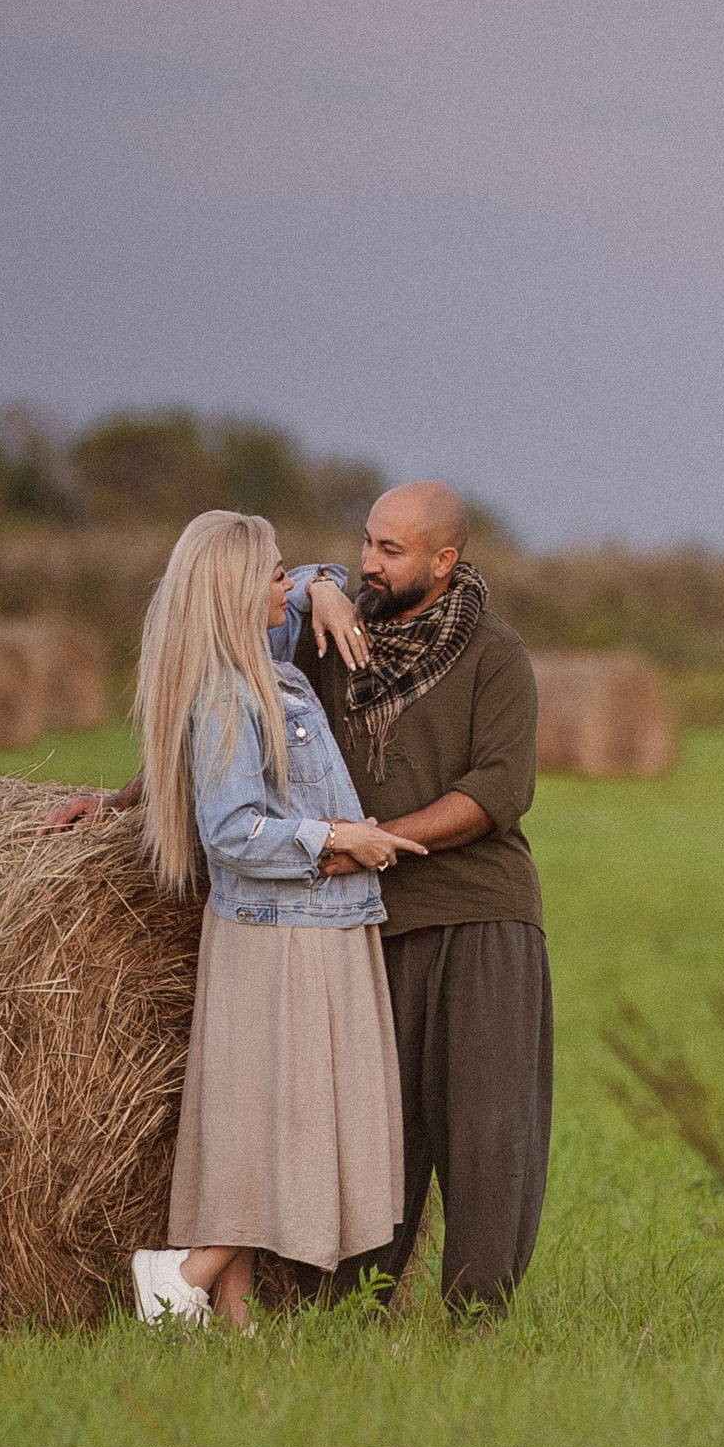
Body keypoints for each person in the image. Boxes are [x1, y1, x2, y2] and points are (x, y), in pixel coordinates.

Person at [47, 479, 548, 1319]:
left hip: (474, 913)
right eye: (365, 543)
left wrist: (373, 838)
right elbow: (217, 711)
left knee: (488, 1133)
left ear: (445, 560)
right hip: (355, 922)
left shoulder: (496, 656)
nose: (366, 564)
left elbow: (498, 790)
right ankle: (344, 1315)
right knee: (370, 1133)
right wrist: (126, 801)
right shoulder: (326, 630)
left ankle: (476, 1323)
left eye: (390, 551)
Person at [117, 508, 422, 1333]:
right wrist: (339, 838)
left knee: (255, 1116)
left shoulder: (258, 657)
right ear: (233, 589)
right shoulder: (224, 692)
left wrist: (324, 586)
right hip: (283, 931)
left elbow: (308, 594)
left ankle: (236, 1317)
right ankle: (182, 1272)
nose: (287, 586)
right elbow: (231, 829)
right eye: (275, 573)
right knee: (286, 1121)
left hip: (302, 925)